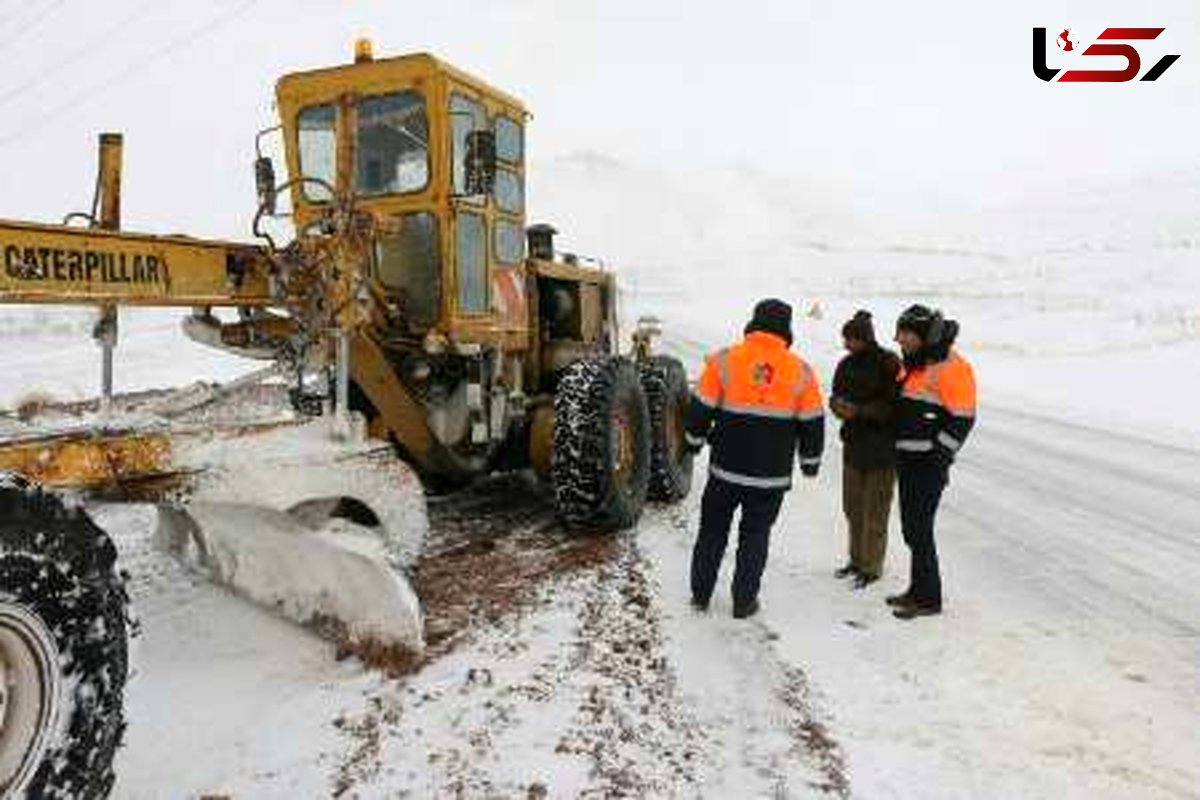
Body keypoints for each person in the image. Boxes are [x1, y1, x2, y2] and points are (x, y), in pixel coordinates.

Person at [684, 298, 825, 619]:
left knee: (712, 532)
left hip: (725, 471)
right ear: (786, 329)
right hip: (770, 477)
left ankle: (700, 595)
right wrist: (810, 462)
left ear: (754, 323)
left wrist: (693, 444)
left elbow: (699, 409)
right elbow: (813, 422)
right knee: (755, 537)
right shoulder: (801, 371)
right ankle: (744, 602)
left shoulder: (725, 360)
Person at [889, 304, 977, 619]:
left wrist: (938, 457)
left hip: (927, 464)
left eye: (906, 334)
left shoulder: (953, 367)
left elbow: (963, 419)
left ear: (924, 335)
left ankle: (929, 599)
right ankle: (917, 590)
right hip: (907, 459)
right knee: (911, 529)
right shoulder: (914, 363)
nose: (899, 339)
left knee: (920, 530)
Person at [829, 310, 901, 589]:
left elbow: (894, 405)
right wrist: (838, 407)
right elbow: (835, 395)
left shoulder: (888, 363)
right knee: (853, 508)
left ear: (864, 338)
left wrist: (859, 412)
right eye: (845, 339)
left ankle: (872, 567)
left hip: (882, 449)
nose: (846, 344)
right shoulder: (845, 364)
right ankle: (856, 560)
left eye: (851, 339)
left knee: (876, 512)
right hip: (854, 446)